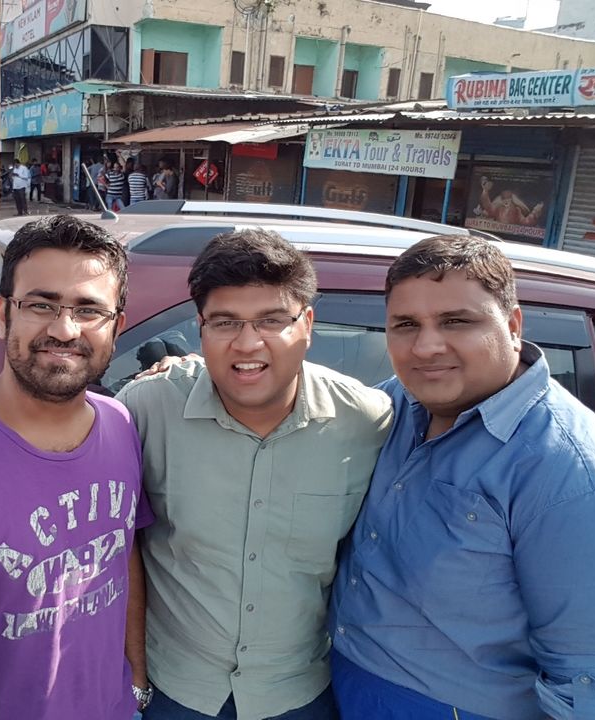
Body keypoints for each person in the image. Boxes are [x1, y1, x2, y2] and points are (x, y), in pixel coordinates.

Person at [116, 229, 392, 720]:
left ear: (307, 323)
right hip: (173, 692)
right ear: (200, 328)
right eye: (225, 322)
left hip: (301, 694)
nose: (247, 343)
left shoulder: (369, 422)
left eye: (271, 320)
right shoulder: (147, 408)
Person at [329, 235, 595, 720]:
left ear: (513, 325)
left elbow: (584, 670)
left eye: (457, 321)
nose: (427, 346)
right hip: (339, 682)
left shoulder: (567, 468)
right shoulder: (395, 402)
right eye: (406, 325)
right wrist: (195, 371)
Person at [0, 214, 154, 720]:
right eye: (40, 304)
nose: (64, 329)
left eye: (89, 310)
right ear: (4, 314)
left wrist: (136, 678)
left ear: (117, 327)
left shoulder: (121, 423)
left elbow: (121, 549)